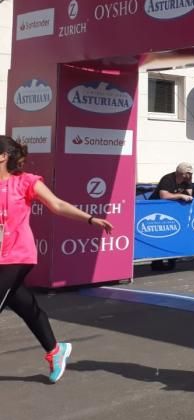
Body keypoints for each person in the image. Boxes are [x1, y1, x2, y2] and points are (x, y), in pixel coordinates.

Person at [0, 135, 113, 383]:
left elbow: (57, 205)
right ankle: (55, 350)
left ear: (3, 156)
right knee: (25, 306)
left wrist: (91, 219)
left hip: (17, 255)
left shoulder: (26, 182)